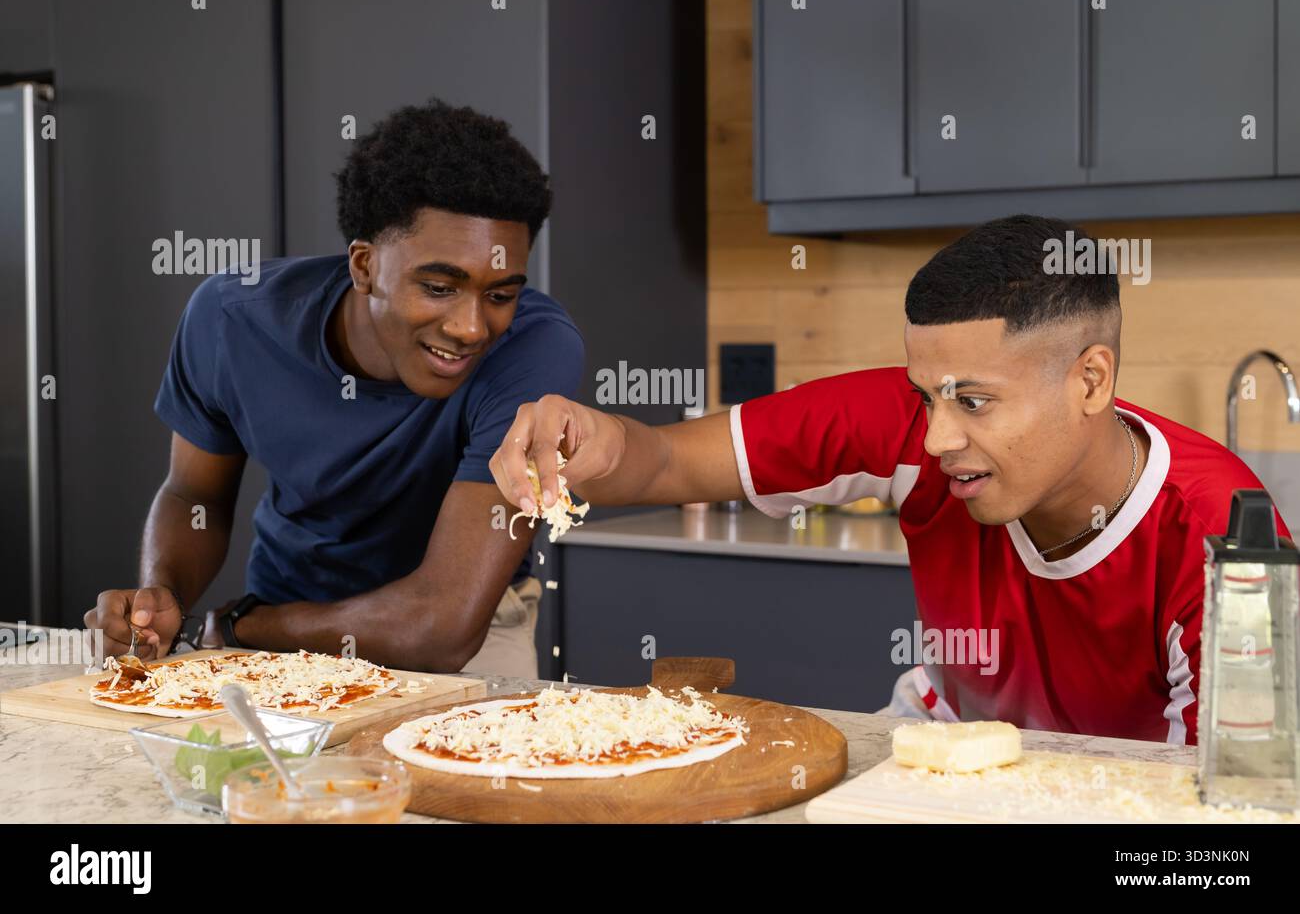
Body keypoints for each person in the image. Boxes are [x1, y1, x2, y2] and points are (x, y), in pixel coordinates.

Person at [490, 214, 1290, 743]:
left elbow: (1226, 837)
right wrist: (590, 437)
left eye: (974, 400)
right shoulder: (913, 421)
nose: (937, 436)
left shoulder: (1221, 534)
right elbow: (662, 459)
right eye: (926, 394)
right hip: (942, 745)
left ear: (1090, 381)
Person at [84, 99, 582, 677]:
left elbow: (440, 629)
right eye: (440, 286)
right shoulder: (231, 320)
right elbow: (194, 496)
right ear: (364, 266)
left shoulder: (532, 348)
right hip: (280, 611)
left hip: (464, 629)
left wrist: (238, 628)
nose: (472, 327)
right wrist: (160, 598)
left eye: (500, 294)